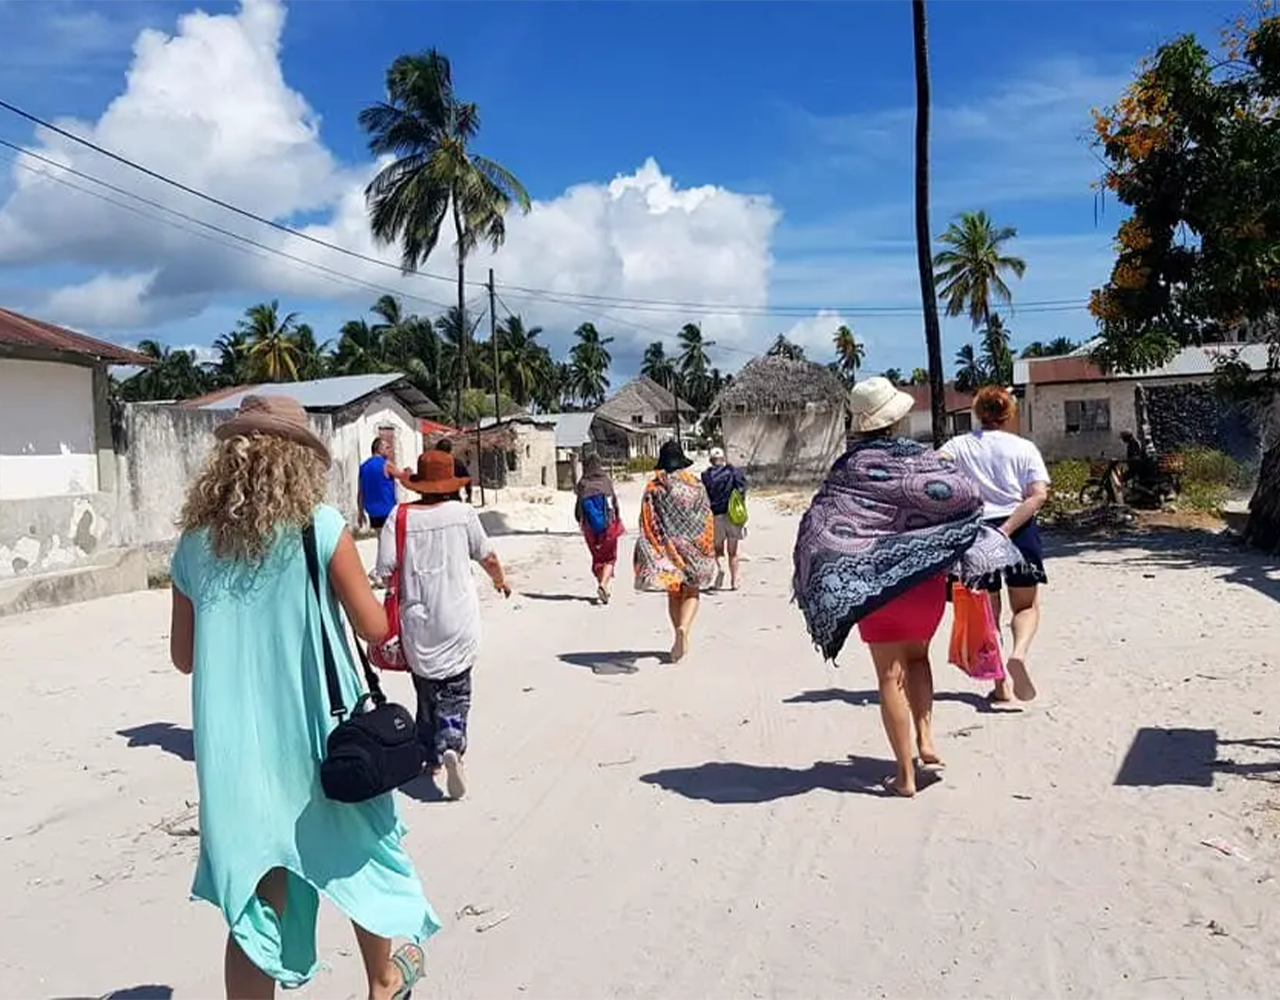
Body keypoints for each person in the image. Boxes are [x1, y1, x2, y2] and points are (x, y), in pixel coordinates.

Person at [168, 394, 435, 999]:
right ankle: (384, 981)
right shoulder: (319, 527)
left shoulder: (193, 545)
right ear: (298, 461)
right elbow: (373, 627)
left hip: (235, 753)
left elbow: (184, 657)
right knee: (359, 852)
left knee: (257, 902)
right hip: (319, 735)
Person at [793, 377, 1022, 798]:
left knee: (888, 676)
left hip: (872, 583)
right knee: (918, 659)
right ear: (896, 419)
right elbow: (966, 499)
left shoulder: (850, 467)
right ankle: (926, 738)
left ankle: (905, 775)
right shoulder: (926, 460)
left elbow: (821, 522)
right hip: (924, 583)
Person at [376, 449, 509, 801]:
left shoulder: (399, 516)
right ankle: (451, 742)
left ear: (420, 483)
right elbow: (488, 556)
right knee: (456, 689)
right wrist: (500, 581)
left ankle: (430, 755)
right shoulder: (463, 514)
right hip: (458, 619)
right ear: (450, 483)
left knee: (426, 689)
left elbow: (384, 568)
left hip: (417, 621)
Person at [940, 385, 1051, 706]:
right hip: (1019, 529)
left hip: (976, 532)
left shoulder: (959, 445)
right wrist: (1007, 528)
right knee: (1026, 606)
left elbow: (935, 468)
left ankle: (1001, 686)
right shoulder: (1024, 448)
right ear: (1009, 413)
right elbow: (1038, 494)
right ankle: (1019, 653)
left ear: (977, 412)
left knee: (987, 613)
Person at [634, 440, 716, 663]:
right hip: (695, 546)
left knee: (673, 592)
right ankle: (684, 629)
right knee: (692, 591)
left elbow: (647, 519)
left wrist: (651, 548)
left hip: (668, 548)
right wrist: (707, 548)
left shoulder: (654, 487)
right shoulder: (696, 485)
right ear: (682, 461)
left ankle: (678, 634)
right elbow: (707, 516)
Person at [574, 450, 624, 604]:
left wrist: (579, 520)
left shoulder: (582, 484)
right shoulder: (606, 481)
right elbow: (614, 504)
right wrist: (617, 518)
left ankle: (602, 586)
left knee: (597, 557)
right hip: (608, 526)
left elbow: (578, 508)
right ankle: (603, 584)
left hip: (589, 528)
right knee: (610, 558)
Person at [701, 446, 747, 590]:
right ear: (723, 459)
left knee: (719, 549)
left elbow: (703, 497)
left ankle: (721, 568)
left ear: (710, 461)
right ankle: (735, 582)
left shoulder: (706, 476)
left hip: (716, 516)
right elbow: (742, 490)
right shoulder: (733, 472)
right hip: (732, 515)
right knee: (733, 552)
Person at [357, 437, 407, 531]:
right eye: (387, 447)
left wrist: (360, 512)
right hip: (387, 509)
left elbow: (360, 492)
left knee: (381, 539)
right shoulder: (386, 464)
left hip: (372, 511)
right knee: (391, 541)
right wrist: (409, 472)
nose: (390, 450)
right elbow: (402, 476)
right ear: (379, 449)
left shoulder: (363, 467)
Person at [432, 437, 473, 505]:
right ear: (450, 450)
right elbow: (467, 480)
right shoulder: (457, 463)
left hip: (435, 501)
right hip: (453, 500)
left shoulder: (432, 464)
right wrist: (469, 495)